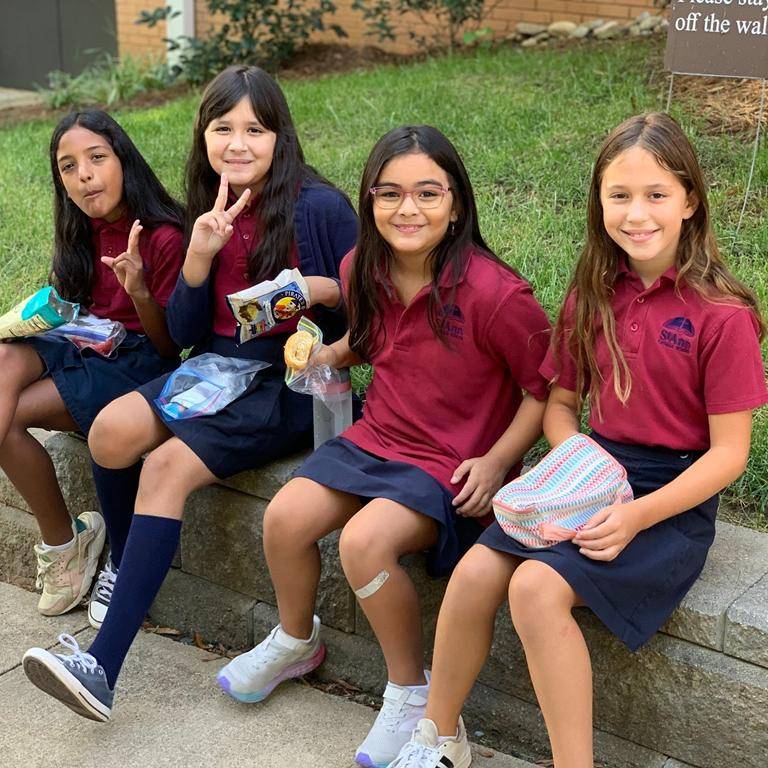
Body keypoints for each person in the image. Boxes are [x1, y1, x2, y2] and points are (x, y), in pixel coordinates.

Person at [389, 112, 768, 768]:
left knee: (535, 588)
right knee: (478, 569)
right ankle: (438, 732)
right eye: (619, 196)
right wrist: (579, 465)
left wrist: (633, 514)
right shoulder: (591, 293)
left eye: (656, 195)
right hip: (592, 468)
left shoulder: (722, 313)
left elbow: (730, 454)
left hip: (669, 500)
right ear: (598, 203)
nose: (637, 213)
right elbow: (560, 407)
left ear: (689, 201)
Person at [21, 65, 357, 722]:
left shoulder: (319, 208)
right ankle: (126, 565)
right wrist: (199, 260)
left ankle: (102, 662)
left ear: (280, 136)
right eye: (222, 127)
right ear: (202, 136)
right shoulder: (207, 207)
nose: (238, 143)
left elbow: (370, 312)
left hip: (295, 381)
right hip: (220, 369)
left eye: (255, 129)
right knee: (114, 431)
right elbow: (182, 338)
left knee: (165, 466)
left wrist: (313, 289)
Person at [216, 125, 552, 768]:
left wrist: (500, 459)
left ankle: (408, 688)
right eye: (390, 193)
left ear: (457, 203)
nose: (408, 209)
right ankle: (296, 640)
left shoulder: (497, 295)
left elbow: (547, 388)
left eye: (428, 193)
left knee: (364, 541)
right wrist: (326, 356)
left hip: (451, 459)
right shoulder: (360, 267)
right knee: (285, 517)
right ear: (369, 201)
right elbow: (372, 339)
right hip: (379, 435)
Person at [0, 109, 184, 618]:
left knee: (9, 418)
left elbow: (171, 347)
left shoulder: (164, 236)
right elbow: (74, 308)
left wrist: (140, 289)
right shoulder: (79, 230)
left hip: (134, 362)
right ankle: (67, 547)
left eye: (97, 158)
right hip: (80, 343)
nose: (84, 174)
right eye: (68, 166)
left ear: (122, 159)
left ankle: (65, 546)